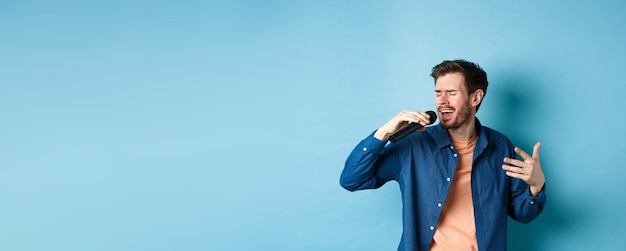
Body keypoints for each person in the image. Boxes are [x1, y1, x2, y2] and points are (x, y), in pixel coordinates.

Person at [339, 59, 546, 251]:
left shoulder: (500, 145)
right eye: (438, 93)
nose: (442, 101)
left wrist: (536, 188)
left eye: (452, 93)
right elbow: (352, 180)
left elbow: (522, 213)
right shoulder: (413, 145)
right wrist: (383, 133)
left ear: (476, 97)